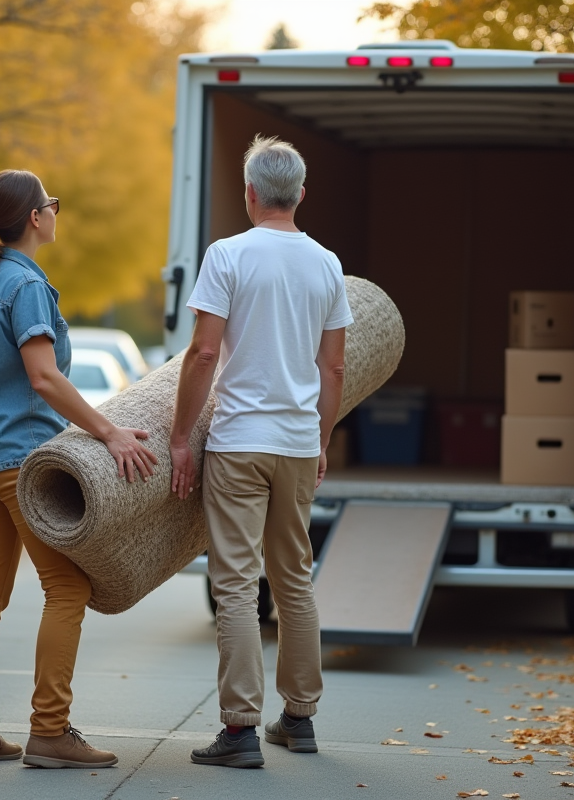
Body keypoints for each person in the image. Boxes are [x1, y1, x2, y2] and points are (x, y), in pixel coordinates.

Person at [0, 169, 158, 769]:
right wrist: (109, 432)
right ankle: (50, 731)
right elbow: (43, 377)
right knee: (67, 587)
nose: (55, 213)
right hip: (18, 463)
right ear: (35, 218)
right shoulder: (24, 285)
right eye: (51, 205)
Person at [169, 136, 352, 768]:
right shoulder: (327, 264)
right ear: (300, 194)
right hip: (298, 442)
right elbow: (333, 367)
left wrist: (179, 438)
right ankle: (299, 719)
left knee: (238, 585)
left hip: (240, 441)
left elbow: (202, 353)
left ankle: (241, 730)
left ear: (250, 194)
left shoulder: (228, 255)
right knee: (294, 578)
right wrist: (321, 440)